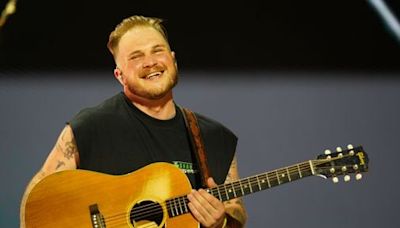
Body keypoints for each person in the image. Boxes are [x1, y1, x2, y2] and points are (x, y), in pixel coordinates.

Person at [20, 15, 247, 228]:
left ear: (173, 60)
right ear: (120, 75)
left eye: (157, 51)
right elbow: (38, 200)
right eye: (136, 57)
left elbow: (235, 212)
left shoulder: (213, 138)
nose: (150, 62)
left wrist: (222, 222)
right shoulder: (91, 127)